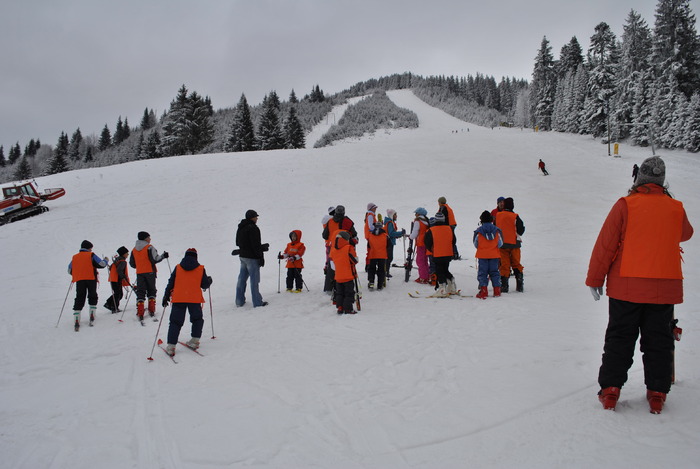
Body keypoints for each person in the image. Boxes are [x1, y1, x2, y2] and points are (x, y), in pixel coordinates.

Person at [586, 156, 693, 414]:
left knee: (620, 337)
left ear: (639, 178)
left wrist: (595, 279)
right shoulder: (675, 206)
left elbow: (606, 245)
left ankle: (611, 390)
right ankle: (657, 392)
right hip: (664, 286)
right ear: (661, 180)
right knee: (659, 340)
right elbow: (686, 234)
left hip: (626, 286)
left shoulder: (626, 205)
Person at [161, 248, 213, 356]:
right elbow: (204, 285)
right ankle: (194, 341)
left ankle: (171, 346)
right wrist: (209, 281)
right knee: (197, 319)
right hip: (194, 299)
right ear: (196, 257)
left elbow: (171, 283)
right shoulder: (200, 268)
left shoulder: (178, 268)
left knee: (175, 322)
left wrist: (166, 296)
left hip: (179, 298)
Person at [68, 240, 108, 330]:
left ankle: (77, 318)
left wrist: (78, 273)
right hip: (91, 278)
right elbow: (101, 264)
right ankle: (92, 314)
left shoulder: (75, 257)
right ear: (89, 248)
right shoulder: (91, 255)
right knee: (92, 295)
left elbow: (69, 270)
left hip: (79, 280)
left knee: (79, 297)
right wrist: (106, 260)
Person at [129, 231, 168, 320]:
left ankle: (140, 311)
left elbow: (132, 263)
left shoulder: (134, 250)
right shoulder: (149, 247)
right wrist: (163, 256)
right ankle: (151, 309)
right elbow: (156, 259)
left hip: (139, 273)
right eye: (149, 237)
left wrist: (139, 266)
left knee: (141, 291)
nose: (150, 239)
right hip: (150, 272)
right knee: (151, 290)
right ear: (145, 238)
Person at [235, 209, 269, 308]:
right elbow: (255, 245)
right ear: (251, 218)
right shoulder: (253, 228)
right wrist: (261, 255)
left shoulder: (241, 227)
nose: (257, 218)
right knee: (254, 281)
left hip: (242, 256)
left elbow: (238, 242)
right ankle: (257, 302)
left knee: (241, 279)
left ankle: (239, 300)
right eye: (255, 217)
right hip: (252, 258)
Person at [322, 205, 358, 295]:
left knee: (332, 268)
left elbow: (324, 235)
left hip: (332, 248)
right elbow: (354, 234)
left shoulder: (330, 222)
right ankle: (345, 287)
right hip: (344, 248)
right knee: (345, 267)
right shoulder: (347, 221)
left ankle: (329, 288)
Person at [494, 197, 525, 293]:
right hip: (515, 244)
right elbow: (521, 230)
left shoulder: (498, 215)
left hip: (502, 245)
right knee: (516, 264)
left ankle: (504, 286)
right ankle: (519, 285)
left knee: (504, 265)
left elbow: (495, 227)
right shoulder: (515, 216)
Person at [424, 212, 456, 296]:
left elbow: (427, 242)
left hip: (437, 253)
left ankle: (442, 288)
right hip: (448, 253)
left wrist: (431, 249)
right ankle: (451, 283)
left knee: (439, 271)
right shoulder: (449, 228)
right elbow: (454, 241)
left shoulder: (432, 230)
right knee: (445, 269)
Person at [473, 211, 503, 299]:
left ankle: (483, 291)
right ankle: (497, 290)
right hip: (494, 255)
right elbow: (500, 243)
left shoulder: (478, 231)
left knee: (482, 273)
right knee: (494, 273)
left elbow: (475, 244)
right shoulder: (497, 230)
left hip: (482, 256)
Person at [329, 231, 359, 314]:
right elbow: (354, 260)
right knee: (349, 293)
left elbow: (332, 264)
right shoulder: (348, 248)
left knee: (339, 293)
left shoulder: (334, 250)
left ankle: (340, 307)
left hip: (338, 276)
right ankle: (348, 309)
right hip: (348, 275)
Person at [104, 246, 130, 313]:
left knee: (117, 293)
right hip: (117, 279)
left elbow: (112, 268)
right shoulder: (122, 261)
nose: (128, 255)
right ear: (123, 254)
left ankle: (109, 304)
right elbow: (119, 270)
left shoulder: (116, 260)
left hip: (113, 279)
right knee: (118, 294)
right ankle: (114, 307)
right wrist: (123, 277)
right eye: (127, 253)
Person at [409, 207, 430, 283]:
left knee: (420, 261)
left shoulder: (418, 221)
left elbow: (415, 232)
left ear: (419, 214)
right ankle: (427, 275)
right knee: (425, 260)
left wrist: (411, 237)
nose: (415, 214)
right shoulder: (426, 221)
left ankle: (423, 277)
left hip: (420, 242)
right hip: (427, 243)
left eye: (416, 213)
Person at [383, 209, 406, 278]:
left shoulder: (389, 222)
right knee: (389, 257)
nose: (396, 216)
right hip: (389, 242)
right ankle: (386, 271)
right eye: (395, 214)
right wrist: (400, 233)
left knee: (389, 257)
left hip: (389, 241)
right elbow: (391, 233)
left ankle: (386, 271)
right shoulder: (390, 223)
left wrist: (398, 235)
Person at [367, 221, 388, 290]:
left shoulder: (370, 235)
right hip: (382, 255)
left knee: (371, 269)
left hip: (373, 255)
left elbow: (368, 246)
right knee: (381, 270)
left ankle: (371, 282)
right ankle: (380, 284)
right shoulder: (385, 235)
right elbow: (389, 246)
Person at [364, 203, 378, 270]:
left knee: (370, 250)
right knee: (371, 251)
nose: (375, 209)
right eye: (374, 208)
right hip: (371, 236)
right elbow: (371, 226)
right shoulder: (370, 215)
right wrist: (377, 229)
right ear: (371, 208)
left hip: (369, 235)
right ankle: (369, 266)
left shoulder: (370, 215)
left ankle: (368, 265)